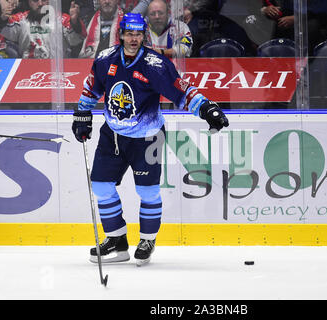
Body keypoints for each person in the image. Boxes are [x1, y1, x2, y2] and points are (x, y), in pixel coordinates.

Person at [71, 13, 228, 266]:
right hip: (112, 135)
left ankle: (147, 240)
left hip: (148, 137)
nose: (134, 39)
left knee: (147, 191)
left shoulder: (155, 64)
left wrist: (207, 109)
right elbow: (92, 87)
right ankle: (116, 241)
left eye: (138, 34)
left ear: (144, 35)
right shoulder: (105, 59)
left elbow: (182, 91)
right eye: (129, 34)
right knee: (101, 186)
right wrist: (82, 113)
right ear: (121, 34)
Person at [0, 0, 86, 58]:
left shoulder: (62, 19)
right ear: (29, 2)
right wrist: (3, 19)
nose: (40, 4)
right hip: (27, 69)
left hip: (59, 71)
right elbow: (4, 31)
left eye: (43, 0)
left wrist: (75, 22)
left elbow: (76, 40)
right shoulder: (20, 19)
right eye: (35, 0)